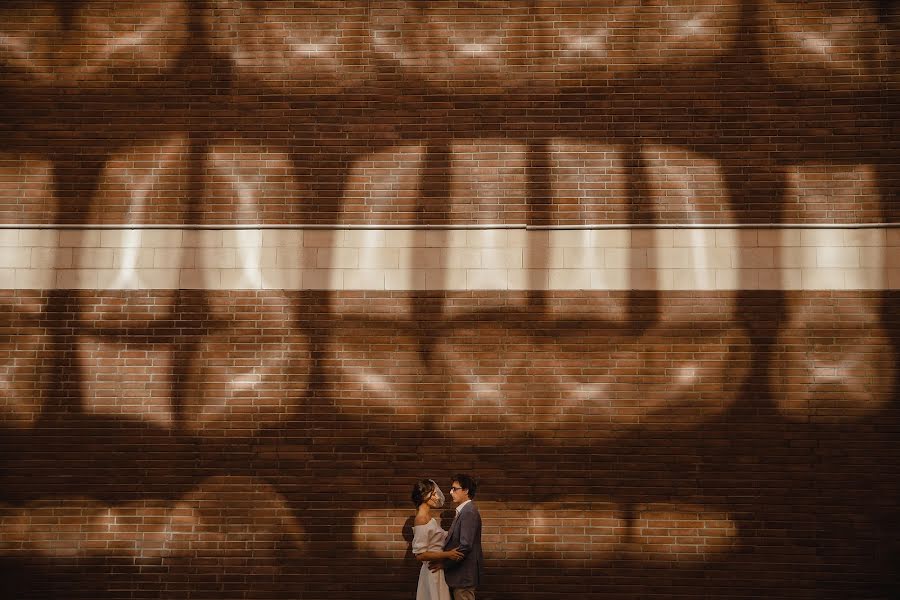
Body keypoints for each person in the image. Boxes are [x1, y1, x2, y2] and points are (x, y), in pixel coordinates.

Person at [431, 474, 484, 600]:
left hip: (463, 575)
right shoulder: (464, 511)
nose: (450, 492)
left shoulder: (468, 512)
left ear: (466, 490)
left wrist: (445, 564)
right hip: (460, 574)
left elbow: (465, 545)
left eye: (455, 489)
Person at [411, 479, 465, 600]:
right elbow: (420, 555)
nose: (437, 497)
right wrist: (449, 554)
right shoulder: (421, 518)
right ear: (424, 495)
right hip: (432, 572)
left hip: (438, 570)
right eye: (434, 494)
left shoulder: (429, 517)